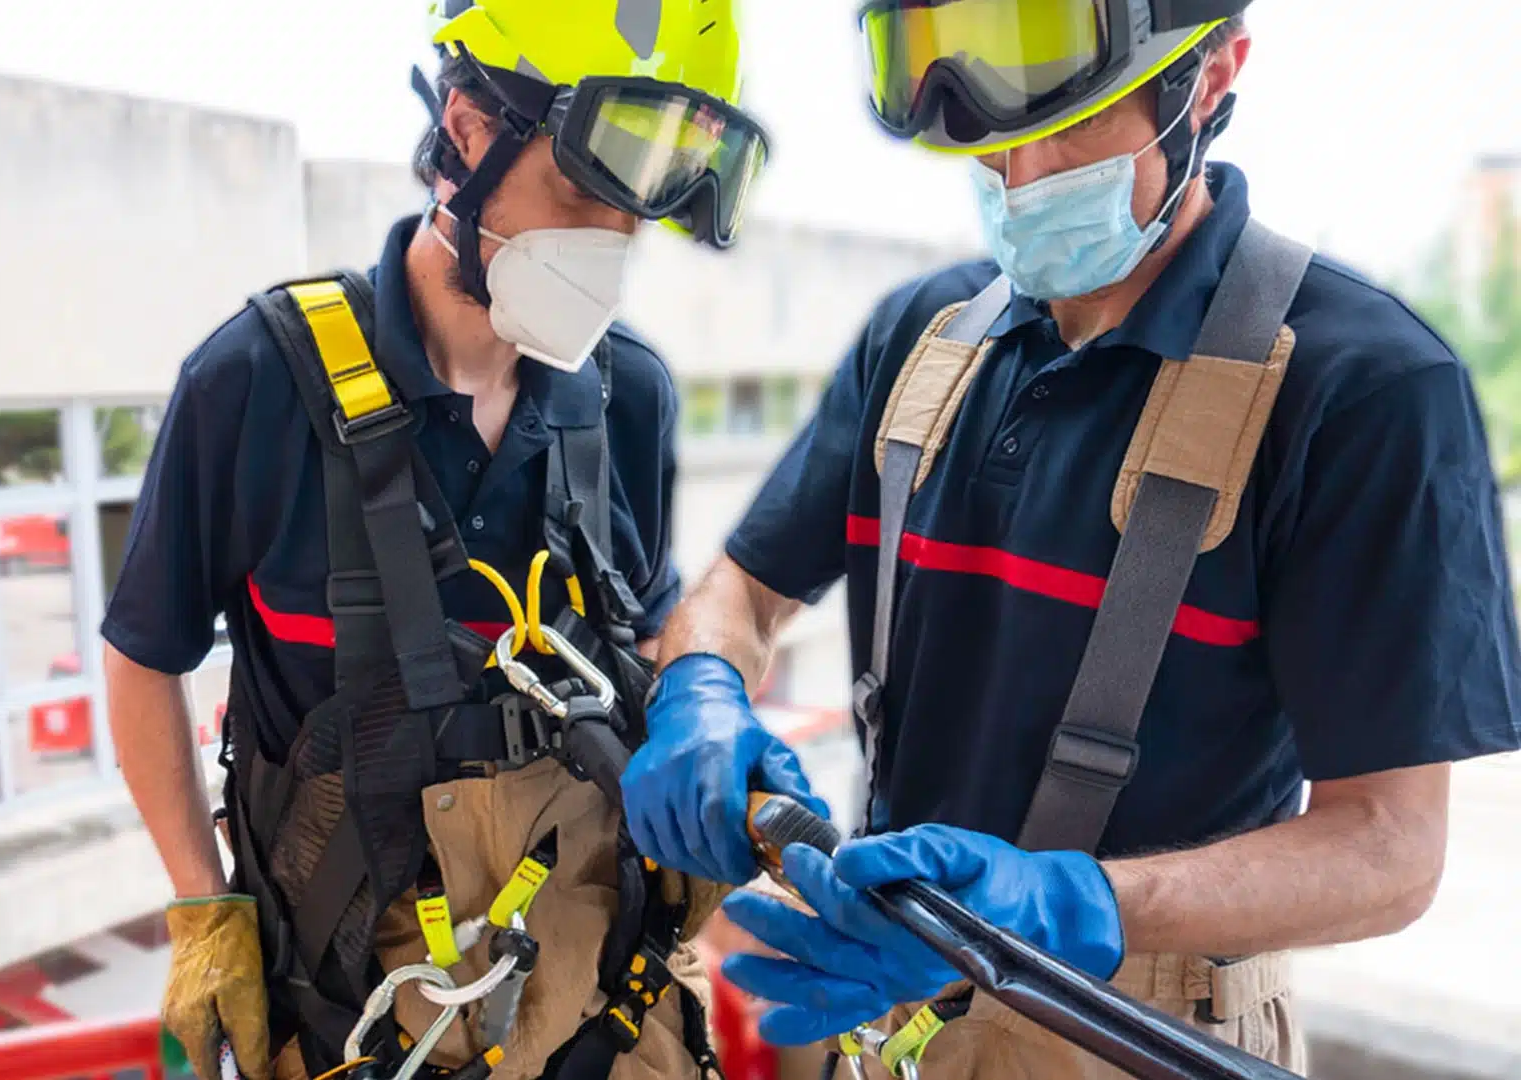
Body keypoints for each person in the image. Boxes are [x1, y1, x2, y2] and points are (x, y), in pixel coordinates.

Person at [622, 2, 1521, 1076]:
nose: (1019, 175)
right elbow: (746, 589)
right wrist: (703, 695)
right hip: (890, 995)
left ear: (1214, 77)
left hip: (1143, 1027)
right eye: (990, 142)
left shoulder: (1361, 390)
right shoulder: (921, 340)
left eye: (1072, 125)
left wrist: (1073, 901)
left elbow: (1389, 849)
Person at [102, 3, 772, 1078]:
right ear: (464, 127)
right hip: (356, 1022)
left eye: (635, 212)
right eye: (575, 191)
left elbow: (645, 638)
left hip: (602, 1009)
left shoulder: (625, 394)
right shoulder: (257, 383)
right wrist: (201, 901)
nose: (606, 245)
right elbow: (143, 660)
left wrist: (705, 711)